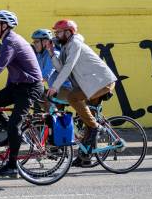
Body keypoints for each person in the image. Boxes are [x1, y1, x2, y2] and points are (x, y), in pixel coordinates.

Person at [0, 10, 44, 178]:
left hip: (30, 88)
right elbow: (10, 69)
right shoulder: (9, 40)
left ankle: (12, 166)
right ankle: (12, 135)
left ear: (4, 26)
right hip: (18, 86)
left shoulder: (11, 41)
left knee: (14, 125)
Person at [46, 19, 117, 166]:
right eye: (55, 33)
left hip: (102, 82)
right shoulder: (66, 47)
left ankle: (96, 127)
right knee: (85, 119)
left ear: (68, 32)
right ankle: (84, 157)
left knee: (73, 98)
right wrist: (51, 53)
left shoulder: (75, 44)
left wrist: (55, 87)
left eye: (58, 32)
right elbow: (60, 67)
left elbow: (68, 68)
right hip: (91, 84)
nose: (56, 35)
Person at [30, 29, 72, 96]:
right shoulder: (40, 55)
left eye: (36, 42)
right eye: (34, 42)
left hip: (66, 89)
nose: (34, 44)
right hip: (55, 89)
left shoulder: (53, 54)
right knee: (36, 94)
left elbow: (45, 75)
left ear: (45, 42)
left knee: (35, 93)